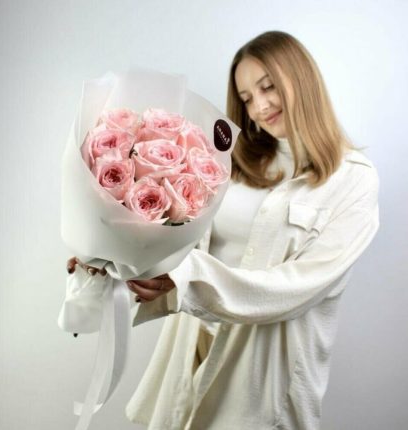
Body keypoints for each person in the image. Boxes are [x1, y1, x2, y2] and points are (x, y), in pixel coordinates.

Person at [67, 30, 379, 429]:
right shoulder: (234, 165)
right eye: (247, 98)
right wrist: (111, 256)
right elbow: (181, 243)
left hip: (263, 377)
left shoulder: (353, 180)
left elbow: (298, 287)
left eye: (268, 87)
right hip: (193, 347)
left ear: (302, 78)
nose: (259, 107)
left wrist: (186, 277)